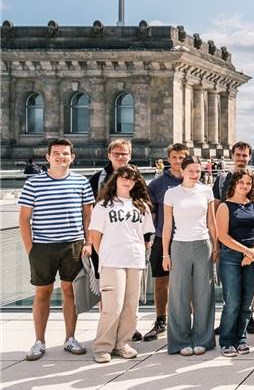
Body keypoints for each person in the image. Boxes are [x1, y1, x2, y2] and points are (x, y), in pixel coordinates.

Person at [18, 138, 94, 361]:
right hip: (42, 247)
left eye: (65, 153)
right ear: (48, 157)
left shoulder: (81, 182)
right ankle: (39, 341)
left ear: (72, 157)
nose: (61, 157)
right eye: (56, 153)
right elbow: (24, 219)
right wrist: (31, 249)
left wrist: (87, 242)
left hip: (73, 245)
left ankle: (70, 338)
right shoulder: (33, 183)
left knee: (70, 292)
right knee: (43, 293)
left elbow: (88, 216)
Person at [88, 166, 154, 362]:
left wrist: (140, 253)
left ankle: (123, 343)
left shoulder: (141, 205)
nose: (128, 182)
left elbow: (146, 235)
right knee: (112, 307)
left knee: (131, 307)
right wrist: (105, 255)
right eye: (124, 178)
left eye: (132, 179)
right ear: (115, 180)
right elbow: (94, 235)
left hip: (134, 260)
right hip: (111, 261)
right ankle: (102, 346)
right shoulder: (103, 205)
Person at [162, 156, 217, 355]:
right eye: (191, 170)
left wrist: (216, 247)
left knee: (204, 293)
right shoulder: (172, 194)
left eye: (198, 171)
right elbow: (167, 225)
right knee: (178, 294)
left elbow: (212, 222)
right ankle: (180, 341)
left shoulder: (206, 191)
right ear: (182, 171)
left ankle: (204, 339)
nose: (195, 174)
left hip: (203, 245)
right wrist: (165, 254)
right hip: (179, 245)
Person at [87, 139, 140, 340]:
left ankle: (126, 330)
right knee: (109, 294)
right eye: (116, 153)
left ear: (130, 155)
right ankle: (108, 333)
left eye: (124, 153)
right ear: (109, 155)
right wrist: (91, 243)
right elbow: (88, 212)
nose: (120, 157)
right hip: (105, 244)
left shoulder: (137, 178)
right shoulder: (97, 179)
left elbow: (144, 207)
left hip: (130, 244)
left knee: (129, 293)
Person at [216, 169, 254, 357]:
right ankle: (227, 341)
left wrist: (253, 252)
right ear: (234, 184)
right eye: (241, 182)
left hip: (253, 258)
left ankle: (241, 339)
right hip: (231, 257)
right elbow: (222, 235)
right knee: (233, 301)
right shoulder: (224, 206)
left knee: (247, 303)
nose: (245, 186)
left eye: (248, 183)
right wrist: (246, 251)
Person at [142, 142, 188, 341]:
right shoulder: (156, 184)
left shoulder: (194, 180)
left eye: (181, 158)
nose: (178, 162)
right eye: (175, 158)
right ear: (168, 159)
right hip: (162, 238)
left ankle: (189, 321)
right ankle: (161, 320)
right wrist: (147, 237)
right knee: (161, 282)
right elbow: (150, 214)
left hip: (187, 238)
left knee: (190, 283)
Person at [212, 141, 254, 206]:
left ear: (250, 157)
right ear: (232, 156)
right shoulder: (221, 180)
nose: (241, 158)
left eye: (244, 155)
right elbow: (216, 206)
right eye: (238, 155)